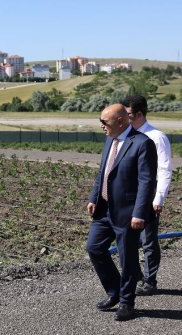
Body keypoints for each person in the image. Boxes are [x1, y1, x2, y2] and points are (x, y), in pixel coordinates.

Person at [86, 104, 157, 321]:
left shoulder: (143, 143)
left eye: (104, 122)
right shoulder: (110, 140)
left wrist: (139, 213)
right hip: (105, 209)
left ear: (120, 121)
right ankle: (114, 291)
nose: (101, 126)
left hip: (128, 212)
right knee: (94, 248)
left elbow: (146, 182)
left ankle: (127, 302)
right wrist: (94, 197)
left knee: (127, 258)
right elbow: (103, 173)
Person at [124, 95, 173, 296]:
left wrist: (158, 198)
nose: (124, 118)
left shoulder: (156, 137)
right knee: (129, 239)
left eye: (128, 115)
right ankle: (135, 276)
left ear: (139, 114)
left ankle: (150, 281)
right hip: (128, 196)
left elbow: (164, 169)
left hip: (148, 196)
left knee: (148, 240)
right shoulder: (127, 135)